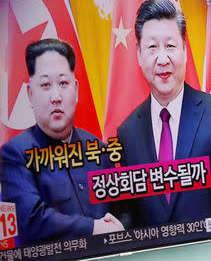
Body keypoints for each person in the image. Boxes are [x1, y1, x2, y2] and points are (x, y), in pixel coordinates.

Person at [117, 0, 211, 227]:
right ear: (139, 53)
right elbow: (133, 213)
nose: (162, 59)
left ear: (184, 48)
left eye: (170, 46)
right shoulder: (128, 131)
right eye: (152, 47)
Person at [0, 38, 124, 246]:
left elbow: (123, 209)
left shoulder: (99, 150)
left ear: (75, 90)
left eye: (63, 83)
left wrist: (121, 228)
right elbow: (30, 221)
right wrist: (95, 228)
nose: (56, 97)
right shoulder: (13, 155)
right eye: (46, 85)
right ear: (30, 94)